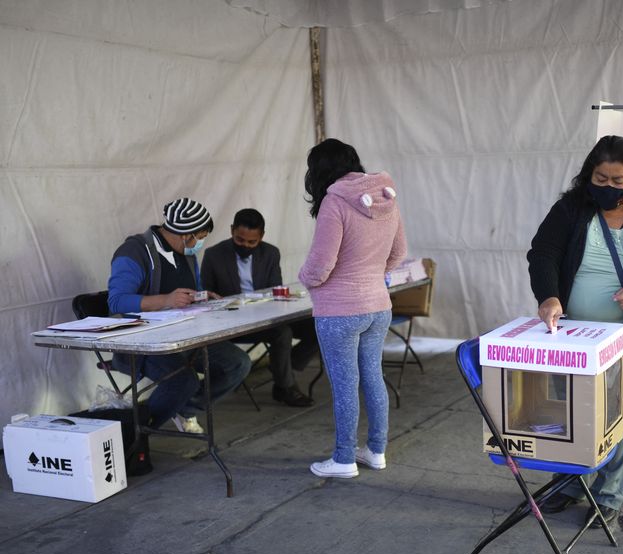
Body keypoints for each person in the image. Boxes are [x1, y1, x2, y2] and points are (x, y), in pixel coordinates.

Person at [527, 135, 623, 527]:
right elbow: (543, 253)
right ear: (588, 175)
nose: (608, 187)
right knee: (565, 414)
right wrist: (548, 296)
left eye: (618, 180)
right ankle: (567, 484)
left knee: (615, 418)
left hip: (621, 339)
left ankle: (610, 493)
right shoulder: (570, 209)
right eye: (601, 178)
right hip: (568, 337)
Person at [299, 138, 407, 478]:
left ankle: (344, 458)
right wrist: (376, 273)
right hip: (378, 305)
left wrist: (305, 278)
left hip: (339, 311)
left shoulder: (334, 202)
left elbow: (320, 265)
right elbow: (399, 253)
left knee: (345, 384)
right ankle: (376, 451)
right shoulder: (386, 198)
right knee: (373, 378)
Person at [107, 197, 251, 433]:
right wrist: (165, 300)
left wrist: (201, 296)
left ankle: (185, 409)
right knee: (183, 380)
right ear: (187, 235)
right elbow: (117, 301)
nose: (200, 244)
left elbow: (188, 290)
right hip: (143, 342)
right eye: (201, 237)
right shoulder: (134, 252)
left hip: (186, 334)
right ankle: (135, 433)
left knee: (237, 364)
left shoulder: (186, 253)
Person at [201, 208, 316, 407]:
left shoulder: (271, 253)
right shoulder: (214, 255)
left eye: (251, 242)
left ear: (261, 236)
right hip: (233, 322)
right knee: (283, 333)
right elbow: (206, 296)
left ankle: (282, 367)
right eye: (239, 240)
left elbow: (275, 289)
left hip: (266, 317)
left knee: (323, 324)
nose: (245, 245)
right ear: (231, 231)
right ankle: (285, 386)